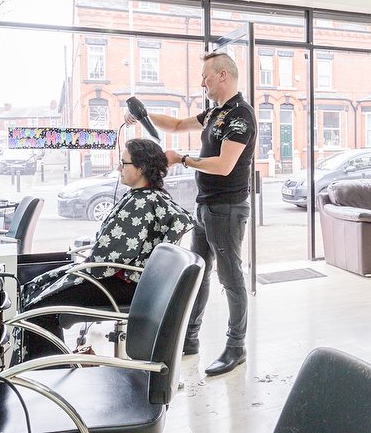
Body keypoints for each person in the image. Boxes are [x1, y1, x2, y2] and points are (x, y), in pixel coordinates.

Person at [126, 52, 256, 376]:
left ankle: (236, 346)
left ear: (223, 75)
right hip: (205, 204)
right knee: (199, 272)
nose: (202, 82)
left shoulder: (241, 116)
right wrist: (142, 116)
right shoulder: (215, 112)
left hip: (227, 208)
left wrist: (182, 159)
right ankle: (190, 338)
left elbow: (224, 165)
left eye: (206, 76)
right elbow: (176, 125)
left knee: (231, 277)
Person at [18, 138, 193, 359]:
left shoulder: (141, 203)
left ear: (140, 168)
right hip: (124, 279)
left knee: (39, 307)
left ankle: (49, 370)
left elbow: (111, 257)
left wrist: (84, 267)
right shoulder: (147, 197)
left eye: (124, 163)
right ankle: (52, 363)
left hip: (122, 284)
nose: (119, 169)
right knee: (36, 288)